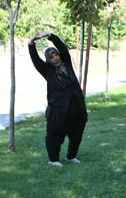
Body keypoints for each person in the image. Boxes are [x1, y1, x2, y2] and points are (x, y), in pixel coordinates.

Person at [28, 31, 87, 166]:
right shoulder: (47, 70)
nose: (55, 58)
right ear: (48, 59)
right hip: (59, 111)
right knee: (55, 136)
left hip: (76, 108)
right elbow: (35, 59)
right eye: (52, 57)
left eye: (56, 55)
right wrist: (31, 43)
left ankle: (71, 156)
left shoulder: (67, 64)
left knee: (76, 135)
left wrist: (50, 35)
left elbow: (63, 47)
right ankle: (53, 160)